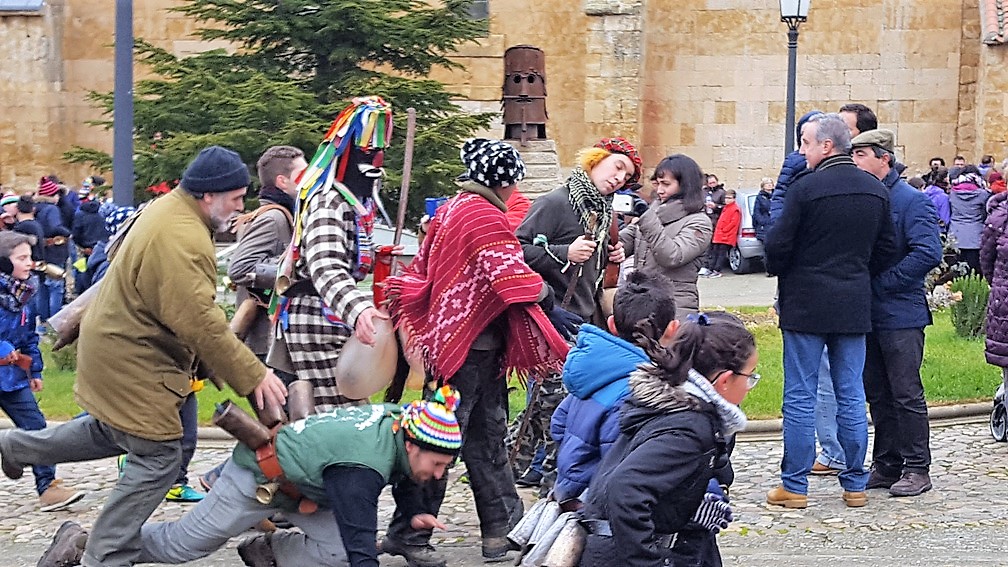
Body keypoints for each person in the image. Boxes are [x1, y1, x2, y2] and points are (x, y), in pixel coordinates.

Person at [0, 145, 288, 567]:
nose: (239, 208)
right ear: (209, 194)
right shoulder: (181, 237)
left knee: (111, 431)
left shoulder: (171, 212)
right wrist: (255, 376)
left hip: (119, 349)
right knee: (158, 455)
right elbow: (200, 321)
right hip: (132, 357)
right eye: (235, 198)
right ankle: (105, 553)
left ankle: (16, 446)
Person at [380, 138, 570, 566]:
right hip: (471, 346)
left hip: (457, 342)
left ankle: (502, 532)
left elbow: (429, 269)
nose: (514, 190)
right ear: (503, 181)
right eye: (513, 181)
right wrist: (547, 296)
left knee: (486, 438)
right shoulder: (483, 215)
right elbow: (509, 278)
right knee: (439, 443)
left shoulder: (451, 209)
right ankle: (411, 533)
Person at [35, 391, 463, 567]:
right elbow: (360, 548)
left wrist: (413, 518)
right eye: (438, 465)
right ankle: (87, 540)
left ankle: (267, 552)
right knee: (183, 545)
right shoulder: (362, 469)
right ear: (411, 444)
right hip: (259, 473)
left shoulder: (402, 422)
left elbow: (411, 479)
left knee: (331, 552)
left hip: (305, 483)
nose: (438, 475)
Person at [764, 113, 896, 509]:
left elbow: (777, 246)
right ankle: (855, 483)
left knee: (801, 395)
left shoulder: (806, 188)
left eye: (805, 142)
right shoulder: (874, 190)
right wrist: (856, 271)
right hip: (852, 303)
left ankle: (795, 486)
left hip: (806, 304)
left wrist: (791, 268)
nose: (801, 151)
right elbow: (887, 249)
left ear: (826, 145)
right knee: (851, 393)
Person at [507, 138, 637, 496]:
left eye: (626, 175)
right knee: (553, 402)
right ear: (595, 161)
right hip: (548, 317)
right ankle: (551, 478)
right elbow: (515, 248)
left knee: (551, 401)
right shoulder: (556, 202)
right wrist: (565, 251)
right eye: (617, 167)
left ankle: (515, 464)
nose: (619, 178)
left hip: (583, 320)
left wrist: (613, 255)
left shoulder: (604, 212)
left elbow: (596, 274)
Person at [578, 311, 757, 567]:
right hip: (619, 553)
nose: (751, 385)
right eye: (750, 377)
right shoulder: (690, 427)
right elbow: (625, 488)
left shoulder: (682, 409)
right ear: (725, 380)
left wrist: (691, 504)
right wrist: (649, 561)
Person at [271, 97, 393, 410]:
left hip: (333, 317)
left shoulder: (351, 203)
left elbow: (345, 253)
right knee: (335, 417)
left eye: (380, 152)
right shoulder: (328, 201)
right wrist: (359, 310)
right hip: (315, 318)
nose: (377, 160)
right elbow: (325, 266)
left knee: (348, 411)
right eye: (368, 151)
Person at [850, 129, 942, 498]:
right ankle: (887, 463)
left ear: (883, 158)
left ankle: (917, 467)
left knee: (905, 392)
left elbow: (927, 253)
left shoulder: (910, 201)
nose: (855, 162)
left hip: (902, 312)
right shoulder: (864, 198)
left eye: (861, 155)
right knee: (877, 392)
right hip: (867, 312)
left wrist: (884, 284)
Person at [550, 270, 678, 510]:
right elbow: (618, 463)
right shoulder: (642, 389)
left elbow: (558, 423)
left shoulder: (592, 371)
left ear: (611, 325)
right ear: (672, 329)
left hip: (570, 486)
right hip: (600, 501)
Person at [0, 231, 83, 511]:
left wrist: (34, 370)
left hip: (11, 379)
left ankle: (48, 487)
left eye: (30, 256)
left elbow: (29, 337)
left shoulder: (27, 293)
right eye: (21, 258)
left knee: (36, 429)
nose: (29, 262)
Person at [228, 145, 305, 375]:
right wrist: (293, 270)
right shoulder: (272, 218)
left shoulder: (282, 213)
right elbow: (239, 268)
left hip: (274, 340)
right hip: (267, 342)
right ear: (282, 181)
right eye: (302, 173)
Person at [619, 154, 712, 317]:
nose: (659, 190)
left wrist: (646, 217)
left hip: (675, 308)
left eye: (666, 184)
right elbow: (621, 242)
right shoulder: (654, 211)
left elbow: (672, 256)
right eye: (658, 184)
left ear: (685, 186)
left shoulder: (699, 222)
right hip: (641, 303)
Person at [32, 177, 71, 323]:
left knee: (42, 289)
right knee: (56, 287)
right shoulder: (52, 209)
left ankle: (42, 322)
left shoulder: (35, 209)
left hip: (39, 251)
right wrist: (67, 233)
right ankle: (54, 323)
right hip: (54, 251)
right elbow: (55, 227)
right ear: (51, 196)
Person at [948, 165, 991, 274]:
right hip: (975, 236)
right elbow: (985, 215)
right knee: (973, 272)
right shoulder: (983, 194)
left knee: (955, 273)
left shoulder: (952, 193)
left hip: (955, 235)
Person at [706, 189, 740, 279]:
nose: (727, 200)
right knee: (715, 252)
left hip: (726, 235)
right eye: (726, 198)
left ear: (734, 199)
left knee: (721, 253)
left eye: (729, 198)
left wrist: (724, 230)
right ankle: (712, 268)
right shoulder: (726, 207)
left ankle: (717, 270)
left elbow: (733, 223)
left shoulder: (735, 209)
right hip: (720, 234)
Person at [698, 174, 726, 276]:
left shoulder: (721, 192)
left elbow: (725, 206)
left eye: (713, 182)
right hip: (705, 220)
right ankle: (704, 266)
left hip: (716, 221)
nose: (712, 184)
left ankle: (711, 266)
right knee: (705, 245)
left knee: (714, 246)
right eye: (710, 183)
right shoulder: (704, 192)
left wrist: (716, 206)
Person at [923, 166, 951, 234]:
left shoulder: (925, 193)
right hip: (938, 231)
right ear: (945, 179)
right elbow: (945, 219)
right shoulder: (943, 196)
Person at [752, 177, 773, 244]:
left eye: (771, 183)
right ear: (763, 186)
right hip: (764, 227)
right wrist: (763, 221)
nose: (769, 185)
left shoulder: (776, 196)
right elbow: (757, 212)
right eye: (767, 183)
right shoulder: (760, 197)